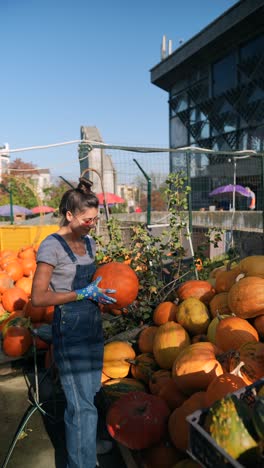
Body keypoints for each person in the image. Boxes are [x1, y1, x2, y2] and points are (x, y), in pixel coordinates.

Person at [31, 178, 116, 468]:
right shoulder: (50, 247)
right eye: (87, 219)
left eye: (95, 219)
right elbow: (39, 298)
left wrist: (99, 295)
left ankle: (87, 446)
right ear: (69, 215)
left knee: (90, 393)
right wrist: (81, 293)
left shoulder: (88, 242)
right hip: (70, 329)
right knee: (79, 405)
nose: (92, 224)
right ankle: (80, 463)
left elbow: (91, 280)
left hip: (92, 324)